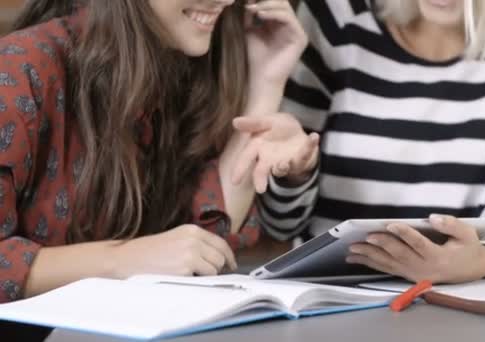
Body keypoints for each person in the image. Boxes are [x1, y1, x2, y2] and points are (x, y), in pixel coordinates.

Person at [0, 0, 320, 303]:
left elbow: (204, 242)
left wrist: (266, 82)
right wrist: (121, 259)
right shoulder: (21, 66)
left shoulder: (183, 67)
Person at [259, 0, 485, 283]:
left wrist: (482, 259)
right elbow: (280, 223)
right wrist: (295, 175)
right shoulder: (334, 15)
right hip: (329, 297)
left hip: (466, 298)